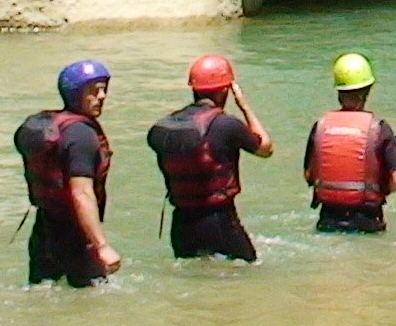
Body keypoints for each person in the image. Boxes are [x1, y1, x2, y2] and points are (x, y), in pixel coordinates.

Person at [146, 55, 272, 262]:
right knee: (248, 275)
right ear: (226, 90)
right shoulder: (226, 125)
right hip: (218, 220)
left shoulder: (162, 127)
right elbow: (265, 148)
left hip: (180, 225)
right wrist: (244, 106)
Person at [15, 61, 119, 288]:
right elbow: (82, 194)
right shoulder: (81, 136)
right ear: (75, 94)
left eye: (103, 89)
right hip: (76, 239)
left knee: (45, 296)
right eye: (93, 91)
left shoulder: (51, 126)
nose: (101, 96)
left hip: (44, 232)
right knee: (92, 304)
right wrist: (101, 246)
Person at [306, 53, 396, 232]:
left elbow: (309, 175)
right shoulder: (379, 128)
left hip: (328, 220)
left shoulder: (320, 126)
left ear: (338, 92)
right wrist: (381, 192)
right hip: (368, 221)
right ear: (368, 90)